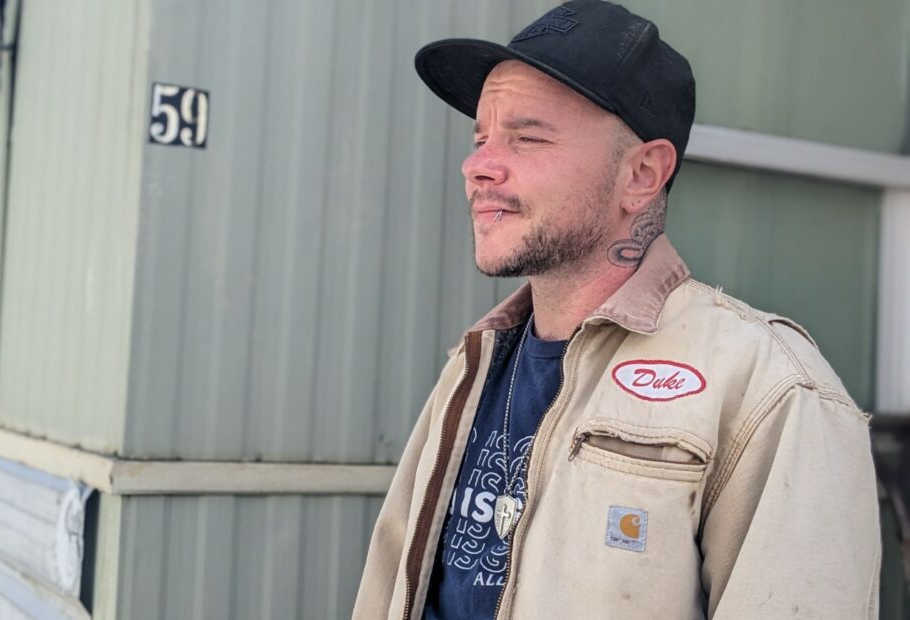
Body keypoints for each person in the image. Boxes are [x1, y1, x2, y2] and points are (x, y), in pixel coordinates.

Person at [352, 1, 881, 618]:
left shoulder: (772, 390)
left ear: (643, 174)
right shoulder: (472, 367)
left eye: (527, 137)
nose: (478, 166)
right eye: (480, 138)